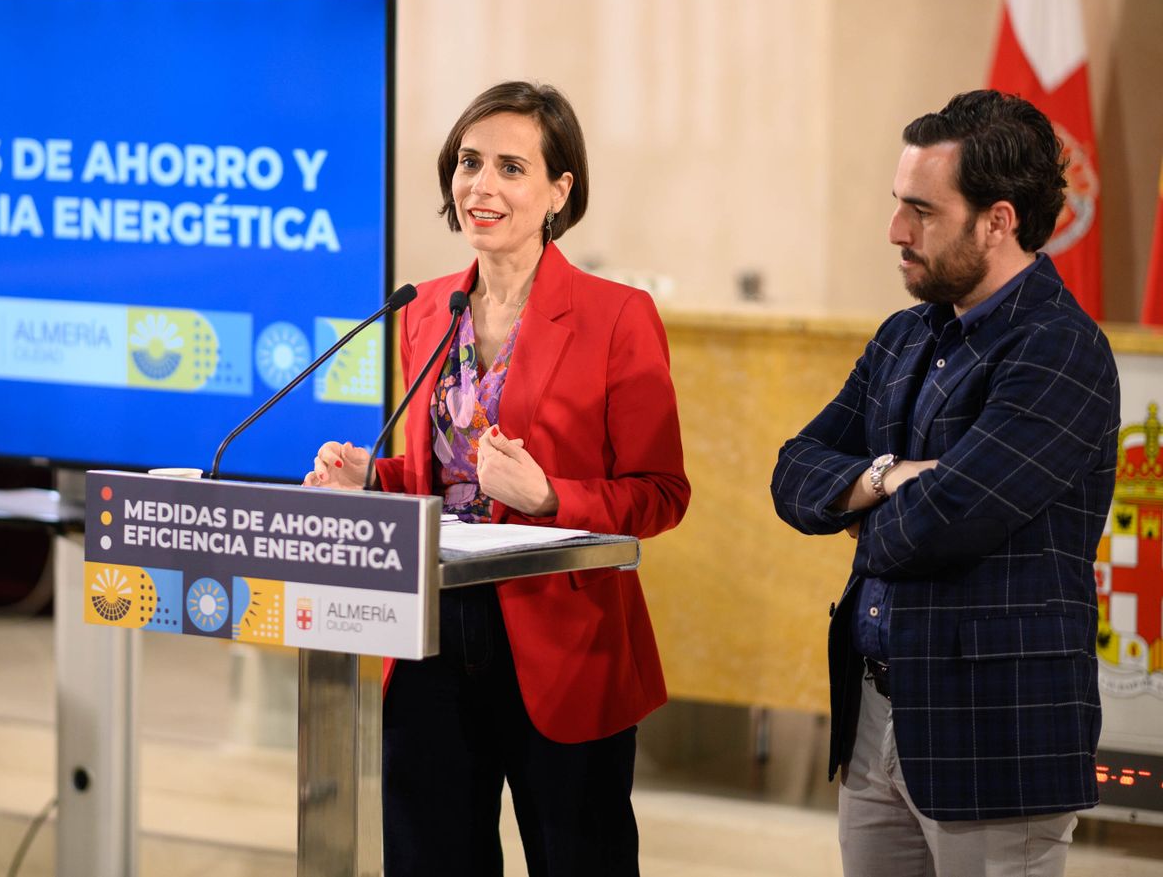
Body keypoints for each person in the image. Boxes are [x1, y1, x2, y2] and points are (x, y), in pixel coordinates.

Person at [303, 80, 689, 876]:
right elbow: (435, 476)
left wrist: (551, 496)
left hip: (564, 643)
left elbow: (660, 492)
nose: (482, 185)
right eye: (469, 162)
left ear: (558, 190)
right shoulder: (424, 307)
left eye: (512, 167)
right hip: (429, 636)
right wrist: (371, 481)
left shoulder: (618, 316)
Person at [771, 90, 1119, 876]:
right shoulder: (905, 335)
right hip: (875, 717)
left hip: (994, 727)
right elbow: (792, 470)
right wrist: (890, 476)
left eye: (921, 210)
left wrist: (866, 506)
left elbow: (937, 524)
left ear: (997, 219)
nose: (896, 230)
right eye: (899, 203)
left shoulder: (1061, 350)